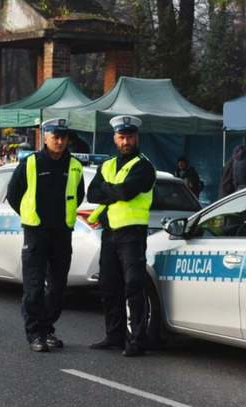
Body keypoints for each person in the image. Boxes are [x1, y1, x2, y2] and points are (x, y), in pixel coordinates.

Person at [6, 118, 85, 353]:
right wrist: (30, 216)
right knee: (34, 287)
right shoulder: (30, 163)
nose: (60, 141)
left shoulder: (74, 165)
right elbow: (13, 194)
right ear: (45, 137)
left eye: (63, 137)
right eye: (55, 136)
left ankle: (47, 328)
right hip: (36, 233)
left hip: (62, 233)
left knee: (58, 287)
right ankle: (34, 334)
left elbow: (78, 195)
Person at [87, 115, 156, 357]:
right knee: (108, 286)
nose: (126, 141)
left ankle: (138, 339)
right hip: (109, 234)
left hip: (132, 234)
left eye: (130, 136)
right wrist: (112, 191)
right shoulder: (106, 165)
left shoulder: (143, 166)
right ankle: (114, 336)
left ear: (136, 137)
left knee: (134, 287)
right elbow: (91, 194)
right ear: (115, 138)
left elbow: (126, 192)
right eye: (121, 137)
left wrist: (109, 190)